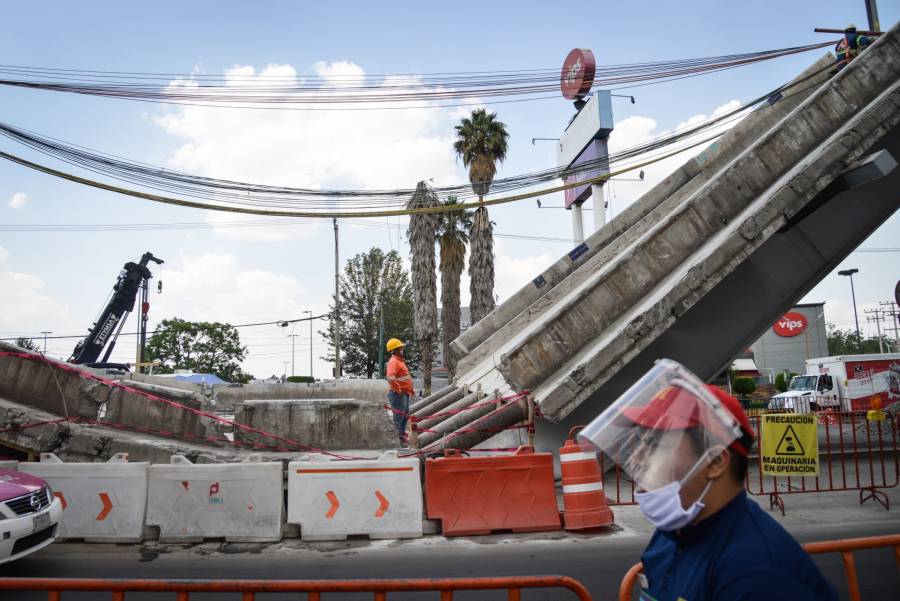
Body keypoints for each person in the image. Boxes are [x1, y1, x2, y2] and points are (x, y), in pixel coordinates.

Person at [578, 359, 838, 601]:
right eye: (642, 439)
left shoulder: (758, 573)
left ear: (715, 462)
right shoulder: (671, 535)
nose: (641, 453)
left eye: (658, 441)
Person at [385, 338, 414, 445]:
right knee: (399, 416)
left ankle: (401, 433)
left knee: (405, 414)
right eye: (401, 349)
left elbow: (404, 378)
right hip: (397, 394)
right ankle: (398, 438)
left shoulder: (398, 361)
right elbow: (390, 378)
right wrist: (398, 389)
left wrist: (409, 390)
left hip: (403, 393)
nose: (402, 350)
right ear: (396, 350)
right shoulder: (394, 362)